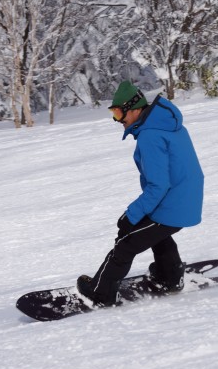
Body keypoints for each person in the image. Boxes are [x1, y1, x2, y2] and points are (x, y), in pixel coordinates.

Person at [77, 81, 204, 306]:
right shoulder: (166, 125)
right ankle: (170, 277)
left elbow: (158, 185)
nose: (118, 119)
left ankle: (100, 294)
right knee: (154, 232)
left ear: (135, 109)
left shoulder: (150, 136)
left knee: (126, 241)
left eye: (119, 112)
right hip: (184, 199)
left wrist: (131, 214)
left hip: (172, 202)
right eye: (113, 113)